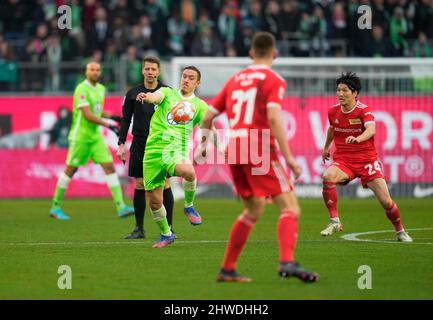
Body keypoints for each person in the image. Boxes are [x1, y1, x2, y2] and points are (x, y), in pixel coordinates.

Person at [200, 32, 320, 283]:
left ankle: (227, 269)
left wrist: (204, 146)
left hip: (235, 148)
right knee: (290, 208)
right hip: (259, 147)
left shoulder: (235, 79)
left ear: (251, 54)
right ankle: (287, 262)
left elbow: (207, 118)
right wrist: (289, 158)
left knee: (253, 210)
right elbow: (274, 117)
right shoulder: (273, 78)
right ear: (274, 54)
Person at [320, 71, 413, 242]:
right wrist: (326, 147)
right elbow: (332, 129)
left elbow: (371, 130)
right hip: (344, 161)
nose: (340, 94)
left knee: (386, 201)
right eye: (338, 90)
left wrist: (358, 139)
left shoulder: (364, 110)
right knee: (327, 176)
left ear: (354, 93)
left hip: (367, 161)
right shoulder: (333, 111)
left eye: (345, 90)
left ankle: (400, 231)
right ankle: (334, 221)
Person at [49, 62, 134, 220]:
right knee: (71, 169)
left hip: (95, 137)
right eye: (92, 70)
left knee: (109, 166)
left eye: (97, 70)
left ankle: (121, 207)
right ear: (86, 72)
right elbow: (87, 115)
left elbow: (97, 111)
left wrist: (112, 117)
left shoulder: (101, 89)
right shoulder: (81, 89)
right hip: (80, 136)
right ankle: (55, 207)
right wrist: (109, 125)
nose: (95, 72)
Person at [136, 66, 208, 248]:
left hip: (174, 150)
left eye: (191, 78)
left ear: (197, 83)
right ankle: (166, 234)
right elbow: (155, 96)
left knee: (189, 171)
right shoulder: (167, 93)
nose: (186, 80)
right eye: (184, 76)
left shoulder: (199, 105)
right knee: (154, 201)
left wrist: (209, 146)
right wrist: (147, 96)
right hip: (152, 152)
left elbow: (207, 127)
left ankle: (189, 205)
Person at [117, 57, 175, 239]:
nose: (150, 72)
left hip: (162, 143)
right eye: (147, 69)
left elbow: (174, 119)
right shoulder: (132, 93)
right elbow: (125, 120)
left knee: (165, 183)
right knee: (140, 184)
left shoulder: (168, 92)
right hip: (140, 142)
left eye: (153, 69)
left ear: (158, 72)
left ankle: (169, 228)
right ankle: (139, 228)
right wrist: (121, 144)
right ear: (142, 71)